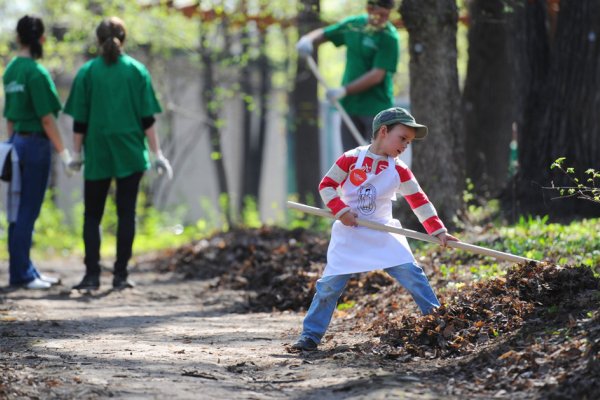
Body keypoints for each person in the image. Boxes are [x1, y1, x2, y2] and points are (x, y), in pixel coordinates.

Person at [291, 107, 458, 351]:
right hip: (350, 232)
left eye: (409, 142)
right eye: (402, 138)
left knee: (414, 276)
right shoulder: (350, 158)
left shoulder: (399, 169)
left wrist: (438, 230)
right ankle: (310, 336)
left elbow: (419, 200)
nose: (405, 146)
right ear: (383, 131)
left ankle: (440, 324)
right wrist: (341, 210)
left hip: (383, 233)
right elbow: (327, 186)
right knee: (328, 287)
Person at [64, 17, 172, 291]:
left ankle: (91, 276)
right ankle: (120, 276)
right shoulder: (137, 71)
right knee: (127, 214)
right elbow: (147, 119)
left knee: (92, 216)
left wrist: (76, 154)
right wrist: (157, 153)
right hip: (130, 153)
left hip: (98, 152)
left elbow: (80, 122)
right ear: (123, 39)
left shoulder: (88, 72)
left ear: (98, 40)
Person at [2, 15, 73, 290]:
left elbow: (9, 116)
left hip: (17, 142)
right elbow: (47, 119)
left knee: (16, 210)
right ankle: (23, 274)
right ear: (41, 39)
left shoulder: (10, 71)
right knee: (28, 210)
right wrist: (65, 153)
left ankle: (24, 269)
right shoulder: (36, 72)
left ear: (18, 38)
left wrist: (11, 146)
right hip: (35, 146)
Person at [296, 0, 400, 151]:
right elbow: (325, 34)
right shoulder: (353, 25)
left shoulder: (389, 37)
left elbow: (377, 75)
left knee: (379, 160)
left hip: (376, 109)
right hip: (350, 107)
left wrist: (344, 90)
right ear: (369, 9)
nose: (384, 19)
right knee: (351, 159)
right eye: (380, 14)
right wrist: (308, 40)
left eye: (387, 15)